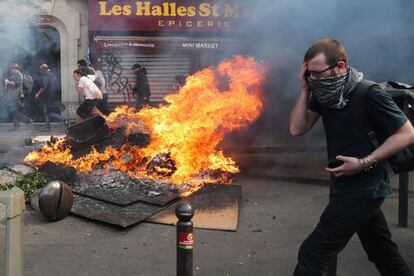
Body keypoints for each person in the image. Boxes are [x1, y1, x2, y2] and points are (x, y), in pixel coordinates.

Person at [290, 38, 413, 276]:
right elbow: (297, 128)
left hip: (364, 189)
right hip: (346, 187)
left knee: (312, 253)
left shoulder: (368, 93)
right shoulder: (324, 94)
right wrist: (305, 90)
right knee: (382, 252)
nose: (314, 79)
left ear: (341, 67)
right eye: (309, 74)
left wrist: (363, 163)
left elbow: (407, 133)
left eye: (317, 73)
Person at [34, 64, 67, 131]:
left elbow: (44, 86)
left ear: (43, 69)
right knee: (46, 111)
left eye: (41, 69)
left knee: (48, 112)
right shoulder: (52, 74)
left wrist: (37, 94)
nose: (40, 71)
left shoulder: (45, 75)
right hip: (54, 95)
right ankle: (48, 127)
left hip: (49, 96)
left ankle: (64, 120)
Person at [4, 63, 31, 130]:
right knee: (14, 111)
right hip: (13, 96)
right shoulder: (14, 75)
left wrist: (8, 82)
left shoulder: (19, 75)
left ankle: (26, 120)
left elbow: (17, 84)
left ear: (16, 69)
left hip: (16, 96)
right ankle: (16, 125)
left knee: (15, 111)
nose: (11, 70)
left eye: (12, 68)